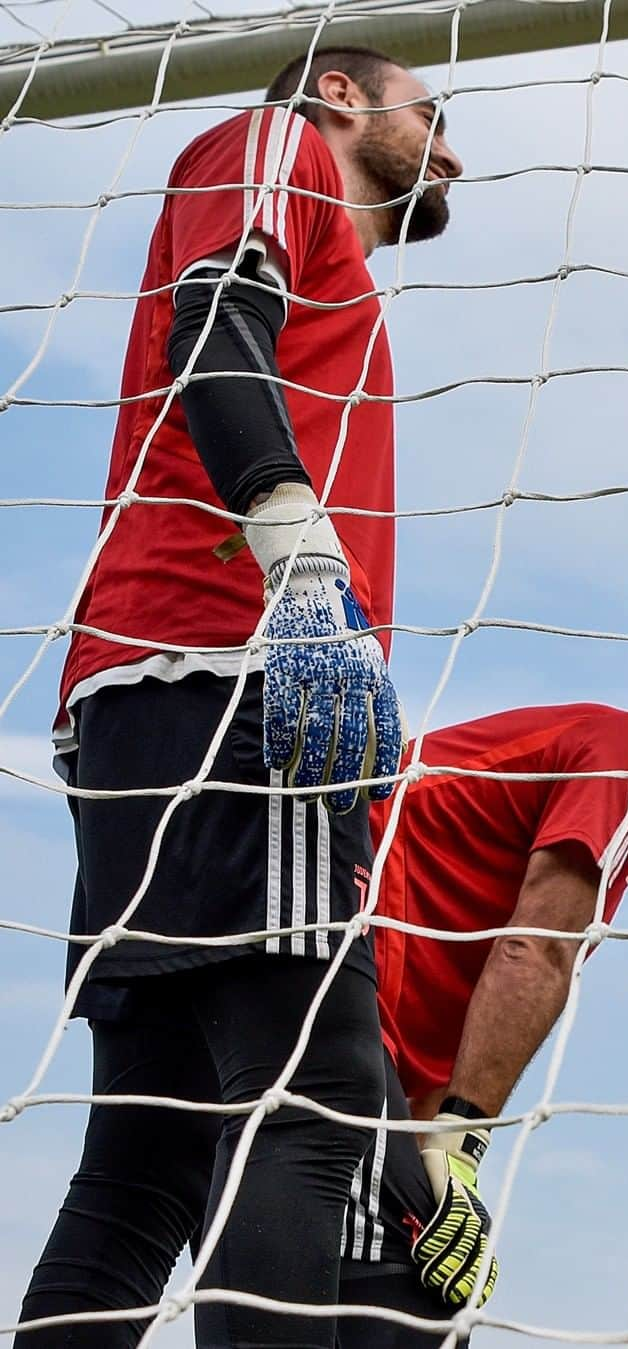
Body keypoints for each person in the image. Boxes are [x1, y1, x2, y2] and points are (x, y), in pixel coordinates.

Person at [18, 45, 462, 1349]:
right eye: (433, 114)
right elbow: (218, 320)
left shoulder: (336, 261)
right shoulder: (271, 149)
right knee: (309, 1103)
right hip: (237, 666)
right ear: (337, 90)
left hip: (154, 691)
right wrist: (304, 569)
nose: (453, 153)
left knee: (147, 1159)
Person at [332, 657, 628, 1346]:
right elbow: (537, 948)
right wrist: (462, 1144)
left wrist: (436, 1140)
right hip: (337, 963)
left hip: (375, 1028)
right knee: (416, 1291)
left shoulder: (617, 818)